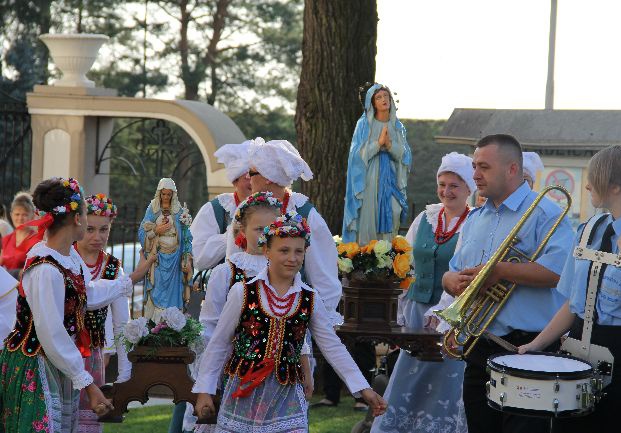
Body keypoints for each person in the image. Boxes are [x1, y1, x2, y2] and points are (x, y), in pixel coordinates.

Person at [193, 213, 387, 432]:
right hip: (244, 391)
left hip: (287, 394)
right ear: (267, 251)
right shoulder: (244, 292)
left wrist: (364, 388)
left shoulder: (308, 298)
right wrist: (205, 390)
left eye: (299, 251)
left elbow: (332, 346)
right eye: (284, 250)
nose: (292, 258)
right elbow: (219, 343)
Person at [442, 134, 574, 433]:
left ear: (512, 169)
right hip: (479, 345)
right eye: (475, 166)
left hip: (528, 349)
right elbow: (453, 270)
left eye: (484, 167)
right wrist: (450, 280)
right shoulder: (476, 217)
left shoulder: (546, 213)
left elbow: (561, 274)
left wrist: (500, 271)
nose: (475, 174)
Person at [0, 177, 150, 432]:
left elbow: (86, 295)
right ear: (76, 218)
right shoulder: (45, 267)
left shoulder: (67, 258)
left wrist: (132, 277)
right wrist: (88, 383)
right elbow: (52, 334)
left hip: (55, 363)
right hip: (35, 364)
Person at [519, 145, 621, 433]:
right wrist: (536, 345)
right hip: (577, 354)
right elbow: (573, 303)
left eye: (594, 177)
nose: (587, 184)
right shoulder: (588, 229)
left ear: (614, 186)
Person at [182, 192, 304, 432]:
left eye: (272, 228)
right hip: (234, 369)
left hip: (279, 373)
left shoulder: (289, 272)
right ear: (241, 231)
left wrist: (305, 364)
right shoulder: (227, 272)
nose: (266, 235)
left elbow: (299, 324)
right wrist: (210, 377)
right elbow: (210, 326)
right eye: (259, 229)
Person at [371, 152, 475, 433]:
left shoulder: (474, 223)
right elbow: (406, 265)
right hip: (417, 311)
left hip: (452, 315)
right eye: (442, 183)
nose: (446, 191)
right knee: (410, 373)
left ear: (469, 188)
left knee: (446, 376)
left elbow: (467, 275)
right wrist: (401, 310)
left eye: (454, 185)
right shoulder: (426, 219)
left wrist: (442, 313)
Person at [75, 194, 150, 432]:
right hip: (63, 350)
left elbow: (121, 322)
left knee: (88, 414)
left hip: (93, 353)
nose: (97, 237)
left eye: (104, 230)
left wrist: (125, 372)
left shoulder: (112, 267)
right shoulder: (66, 260)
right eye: (90, 229)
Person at [246, 138, 342, 324]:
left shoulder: (306, 215)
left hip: (295, 319)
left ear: (268, 177)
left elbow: (325, 281)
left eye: (251, 173)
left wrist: (315, 324)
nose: (248, 179)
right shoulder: (247, 211)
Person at [342, 83, 412, 245]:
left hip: (392, 176)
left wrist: (389, 146)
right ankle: (367, 253)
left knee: (394, 209)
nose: (383, 100)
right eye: (378, 97)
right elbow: (356, 156)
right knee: (369, 214)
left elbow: (405, 156)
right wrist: (378, 144)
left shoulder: (397, 126)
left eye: (386, 96)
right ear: (372, 103)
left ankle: (386, 251)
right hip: (369, 177)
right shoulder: (364, 125)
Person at [191, 140, 253, 271]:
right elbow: (197, 260)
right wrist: (232, 234)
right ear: (235, 181)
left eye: (255, 175)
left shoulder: (273, 206)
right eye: (247, 176)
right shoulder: (216, 209)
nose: (252, 181)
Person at [139, 178, 193, 320]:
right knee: (157, 288)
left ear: (173, 194)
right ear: (159, 193)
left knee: (174, 291)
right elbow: (142, 232)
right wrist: (157, 229)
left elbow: (186, 235)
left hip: (175, 259)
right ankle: (155, 322)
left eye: (169, 194)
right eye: (163, 194)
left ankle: (172, 322)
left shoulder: (178, 210)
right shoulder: (153, 208)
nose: (166, 197)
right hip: (158, 259)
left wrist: (186, 254)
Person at [0, 192, 42, 278]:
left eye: (25, 215)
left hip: (25, 288)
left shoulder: (37, 241)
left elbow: (35, 272)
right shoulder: (6, 239)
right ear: (11, 215)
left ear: (32, 216)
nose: (20, 218)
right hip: (6, 289)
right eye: (17, 214)